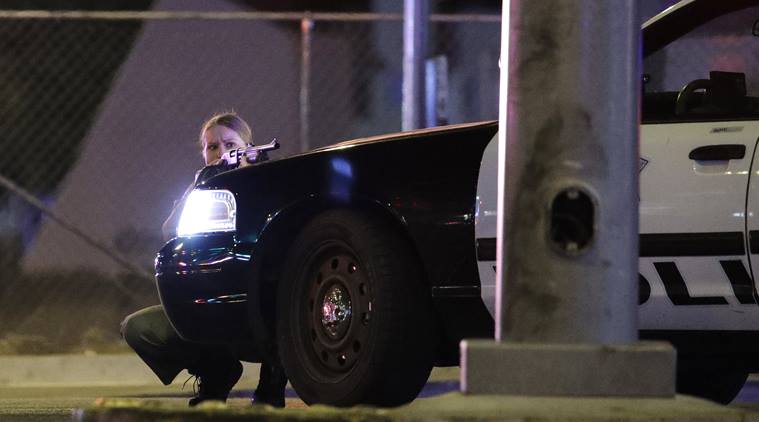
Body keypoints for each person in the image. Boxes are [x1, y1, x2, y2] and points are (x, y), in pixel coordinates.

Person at [121, 111, 288, 407]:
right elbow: (169, 231)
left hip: (262, 319)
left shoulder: (269, 188)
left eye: (231, 145)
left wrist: (247, 175)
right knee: (139, 329)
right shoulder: (204, 192)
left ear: (249, 148)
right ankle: (217, 375)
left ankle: (270, 388)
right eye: (212, 147)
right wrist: (200, 185)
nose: (221, 153)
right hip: (212, 313)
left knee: (288, 306)